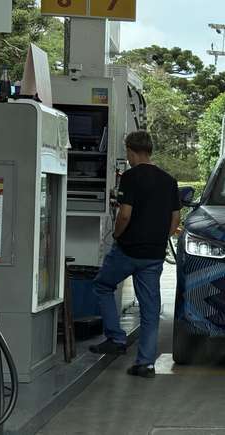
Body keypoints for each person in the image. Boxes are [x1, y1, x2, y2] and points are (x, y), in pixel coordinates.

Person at [89, 131, 181, 379]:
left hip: (128, 251)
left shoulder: (130, 177)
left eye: (127, 153)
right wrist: (160, 239)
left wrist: (118, 235)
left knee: (103, 285)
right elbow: (175, 219)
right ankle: (145, 364)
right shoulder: (169, 180)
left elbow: (125, 214)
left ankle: (116, 339)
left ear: (131, 151)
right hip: (153, 255)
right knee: (150, 310)